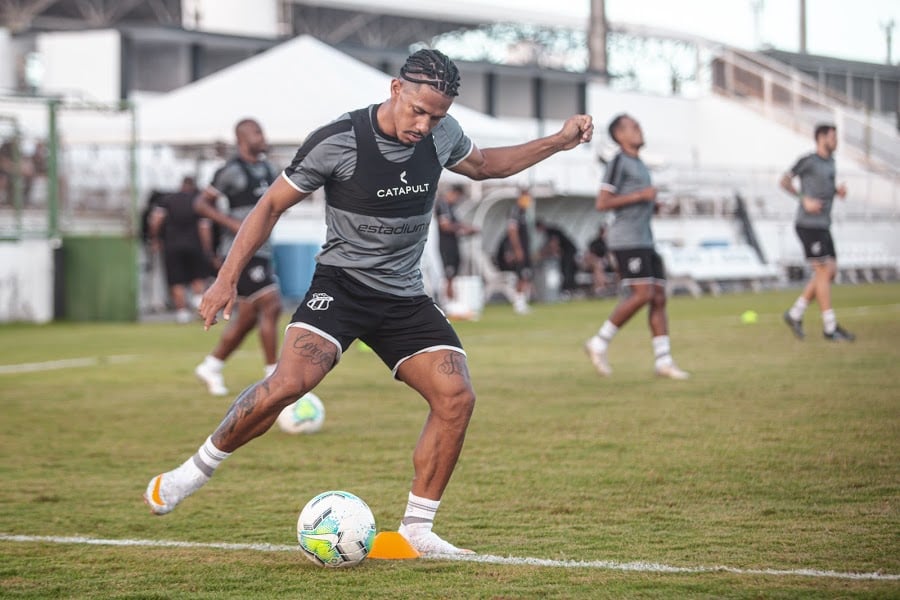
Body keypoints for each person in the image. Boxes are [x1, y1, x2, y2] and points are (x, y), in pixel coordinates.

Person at [143, 48, 593, 556]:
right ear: (396, 89)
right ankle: (190, 474)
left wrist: (558, 141)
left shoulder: (443, 135)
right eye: (418, 110)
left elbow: (486, 165)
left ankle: (417, 532)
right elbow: (270, 205)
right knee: (288, 385)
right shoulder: (339, 141)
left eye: (436, 116)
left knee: (456, 397)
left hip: (403, 295)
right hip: (342, 288)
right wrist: (226, 278)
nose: (425, 125)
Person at [584, 114, 688, 379]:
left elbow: (634, 202)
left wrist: (653, 204)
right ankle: (599, 342)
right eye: (634, 127)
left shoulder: (640, 164)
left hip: (645, 238)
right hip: (626, 239)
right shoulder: (619, 161)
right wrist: (641, 195)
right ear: (619, 135)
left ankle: (663, 360)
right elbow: (603, 202)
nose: (640, 130)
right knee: (642, 294)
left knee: (659, 296)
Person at [192, 119, 283, 395]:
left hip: (264, 249)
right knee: (271, 303)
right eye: (257, 132)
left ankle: (212, 365)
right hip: (241, 252)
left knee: (248, 317)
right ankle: (273, 375)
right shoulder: (230, 171)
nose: (263, 136)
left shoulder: (268, 169)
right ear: (242, 138)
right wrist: (231, 223)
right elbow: (201, 203)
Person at [780, 123, 855, 342]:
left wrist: (837, 192)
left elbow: (825, 189)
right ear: (821, 138)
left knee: (829, 271)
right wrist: (804, 200)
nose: (836, 141)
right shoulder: (808, 161)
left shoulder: (831, 163)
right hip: (808, 224)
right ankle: (830, 327)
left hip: (823, 224)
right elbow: (784, 181)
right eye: (833, 137)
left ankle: (795, 313)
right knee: (823, 271)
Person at [148, 176, 211, 323]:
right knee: (198, 278)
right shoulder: (199, 201)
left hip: (172, 245)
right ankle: (199, 307)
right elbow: (204, 227)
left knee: (176, 280)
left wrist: (155, 238)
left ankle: (182, 314)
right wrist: (207, 248)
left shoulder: (168, 200)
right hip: (195, 245)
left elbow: (156, 220)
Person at [434, 183, 479, 311]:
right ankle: (448, 304)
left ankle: (452, 302)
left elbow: (455, 224)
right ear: (454, 193)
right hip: (446, 245)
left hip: (453, 244)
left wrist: (466, 229)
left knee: (453, 275)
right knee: (449, 274)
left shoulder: (451, 207)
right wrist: (463, 229)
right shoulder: (442, 204)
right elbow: (445, 226)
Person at [495, 188, 535, 314]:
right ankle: (518, 302)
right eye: (526, 197)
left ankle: (522, 300)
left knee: (526, 275)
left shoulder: (524, 213)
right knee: (521, 275)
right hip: (520, 249)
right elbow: (512, 231)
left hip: (525, 249)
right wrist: (517, 249)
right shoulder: (515, 211)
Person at [535, 219, 579, 296]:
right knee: (567, 269)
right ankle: (569, 289)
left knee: (566, 269)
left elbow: (554, 244)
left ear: (540, 227)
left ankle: (567, 290)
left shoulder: (550, 231)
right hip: (567, 251)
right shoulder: (549, 231)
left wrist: (548, 254)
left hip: (569, 250)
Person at [583, 223, 616, 296]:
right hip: (595, 263)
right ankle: (601, 288)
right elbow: (590, 254)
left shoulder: (610, 242)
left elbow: (610, 255)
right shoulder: (594, 242)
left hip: (607, 264)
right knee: (598, 266)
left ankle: (606, 288)